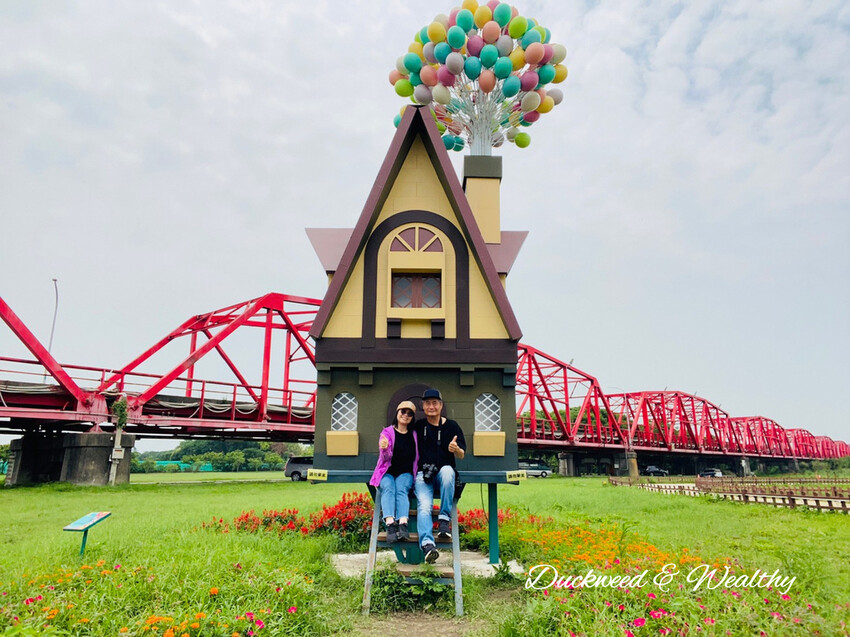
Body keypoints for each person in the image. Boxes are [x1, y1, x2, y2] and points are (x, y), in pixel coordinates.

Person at [414, 388, 466, 563]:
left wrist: (456, 449)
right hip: (423, 475)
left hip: (444, 476)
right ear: (423, 406)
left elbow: (462, 454)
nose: (431, 406)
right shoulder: (418, 426)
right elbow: (401, 433)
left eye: (435, 403)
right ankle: (428, 545)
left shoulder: (452, 426)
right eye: (427, 403)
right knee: (424, 506)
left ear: (441, 405)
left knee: (447, 471)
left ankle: (444, 520)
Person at [369, 400, 419, 543]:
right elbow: (385, 458)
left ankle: (403, 523)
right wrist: (384, 448)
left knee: (401, 488)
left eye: (409, 414)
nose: (406, 415)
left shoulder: (414, 435)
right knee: (389, 488)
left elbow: (417, 456)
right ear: (397, 413)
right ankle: (390, 524)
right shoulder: (387, 432)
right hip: (387, 471)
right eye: (403, 411)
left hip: (406, 472)